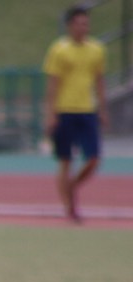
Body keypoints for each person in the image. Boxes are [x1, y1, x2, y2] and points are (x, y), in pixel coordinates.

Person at [42, 4, 107, 222]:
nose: (84, 27)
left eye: (86, 23)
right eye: (79, 23)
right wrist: (50, 114)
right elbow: (52, 85)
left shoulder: (96, 49)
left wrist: (103, 109)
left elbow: (99, 81)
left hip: (87, 110)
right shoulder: (59, 50)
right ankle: (71, 208)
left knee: (94, 158)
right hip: (64, 110)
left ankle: (72, 186)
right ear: (70, 25)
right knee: (66, 160)